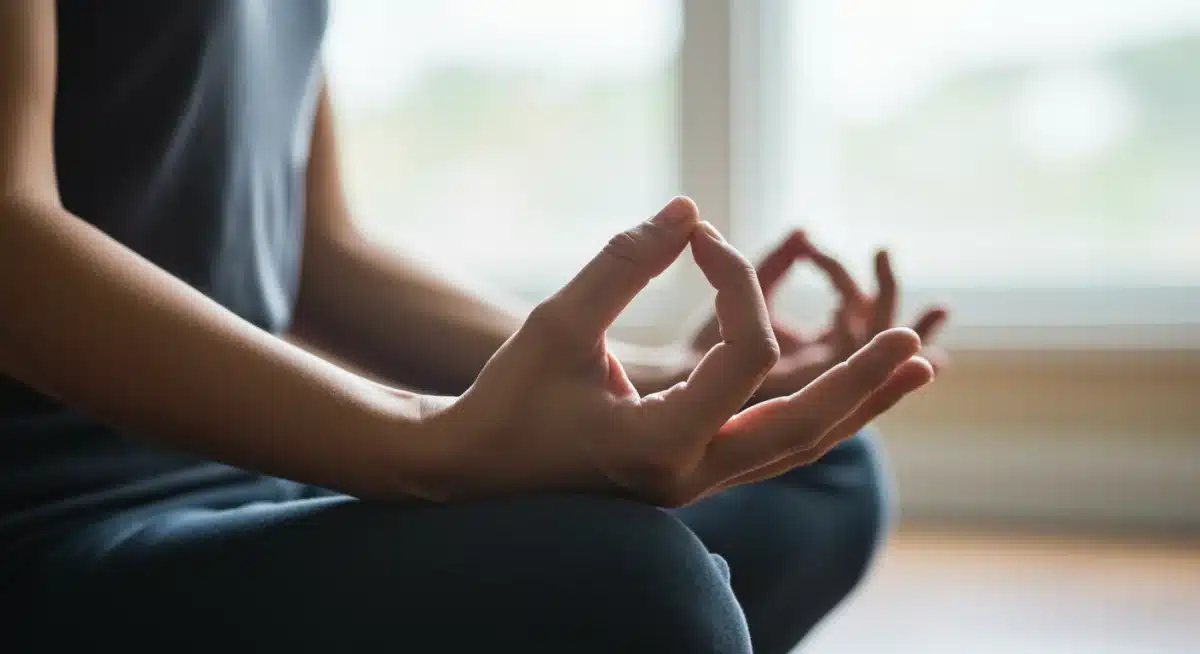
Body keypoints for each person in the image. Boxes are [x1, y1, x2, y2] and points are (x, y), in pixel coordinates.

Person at [0, 2, 948, 652]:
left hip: (253, 472)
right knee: (643, 589)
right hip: (48, 524)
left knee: (821, 476)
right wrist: (427, 443)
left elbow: (318, 255)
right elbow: (12, 249)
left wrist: (655, 382)